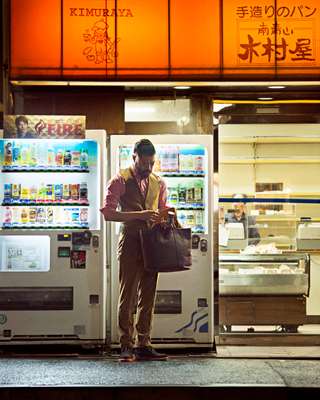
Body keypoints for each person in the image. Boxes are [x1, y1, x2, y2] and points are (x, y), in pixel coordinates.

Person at [100, 139, 168, 362]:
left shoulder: (159, 182)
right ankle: (125, 344)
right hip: (129, 241)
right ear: (134, 157)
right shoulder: (119, 179)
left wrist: (167, 217)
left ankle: (144, 343)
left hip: (153, 243)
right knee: (127, 296)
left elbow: (161, 211)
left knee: (148, 296)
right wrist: (139, 215)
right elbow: (108, 213)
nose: (148, 168)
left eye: (152, 163)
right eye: (144, 163)